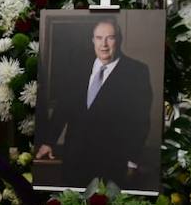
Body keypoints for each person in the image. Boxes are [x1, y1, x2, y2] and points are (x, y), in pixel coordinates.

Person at [35, 18, 152, 189]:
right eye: (99, 38)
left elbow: (141, 121)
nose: (103, 44)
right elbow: (63, 109)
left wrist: (132, 162)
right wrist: (48, 142)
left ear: (119, 40)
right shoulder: (78, 67)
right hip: (74, 161)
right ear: (92, 40)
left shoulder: (136, 71)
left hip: (112, 164)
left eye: (110, 38)